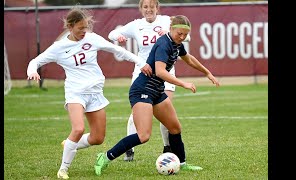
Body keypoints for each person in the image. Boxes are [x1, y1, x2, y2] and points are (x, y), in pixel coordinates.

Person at [26, 6, 152, 179]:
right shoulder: (59, 47)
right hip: (75, 93)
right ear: (70, 27)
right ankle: (63, 169)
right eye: (80, 28)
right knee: (78, 129)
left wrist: (140, 62)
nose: (84, 31)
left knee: (98, 138)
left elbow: (118, 50)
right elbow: (36, 61)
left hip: (95, 92)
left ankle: (70, 145)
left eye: (86, 27)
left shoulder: (92, 38)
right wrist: (32, 71)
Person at [94, 15, 220, 176]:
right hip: (142, 90)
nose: (182, 37)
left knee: (174, 128)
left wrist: (207, 72)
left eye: (184, 35)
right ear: (171, 29)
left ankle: (181, 162)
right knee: (143, 135)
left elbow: (189, 59)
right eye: (179, 34)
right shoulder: (163, 44)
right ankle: (105, 156)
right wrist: (184, 83)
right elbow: (160, 72)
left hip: (157, 91)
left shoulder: (176, 43)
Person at [108, 0, 190, 161]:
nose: (149, 10)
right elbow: (111, 34)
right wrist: (118, 36)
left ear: (157, 8)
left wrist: (169, 32)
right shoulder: (136, 25)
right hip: (143, 73)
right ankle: (129, 150)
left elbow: (184, 32)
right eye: (145, 7)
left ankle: (168, 149)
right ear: (141, 9)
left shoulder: (167, 20)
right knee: (136, 116)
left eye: (152, 7)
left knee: (167, 115)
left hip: (165, 74)